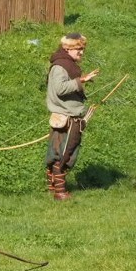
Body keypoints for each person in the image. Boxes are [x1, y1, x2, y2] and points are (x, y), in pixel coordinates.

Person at [44, 32, 99, 200]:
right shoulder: (60, 66)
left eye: (82, 49)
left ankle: (54, 188)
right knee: (63, 154)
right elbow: (59, 89)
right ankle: (59, 192)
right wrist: (80, 81)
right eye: (78, 49)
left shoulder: (68, 65)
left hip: (70, 117)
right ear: (67, 48)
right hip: (66, 118)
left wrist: (82, 80)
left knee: (64, 152)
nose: (81, 52)